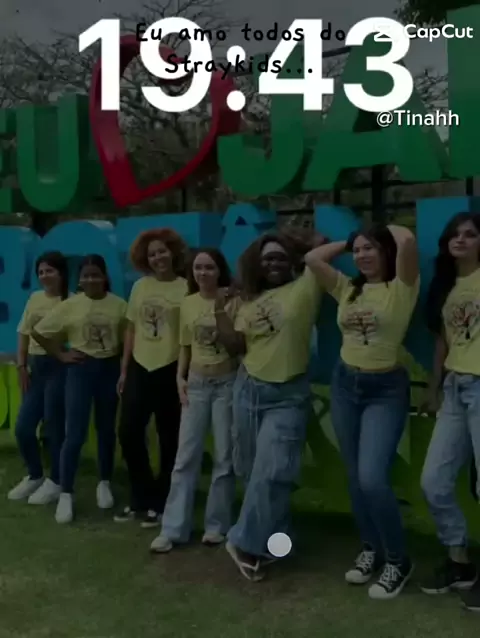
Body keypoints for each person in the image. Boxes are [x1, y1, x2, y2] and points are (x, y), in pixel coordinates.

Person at [304, 223, 419, 600]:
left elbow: (406, 239)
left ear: (385, 251)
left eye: (370, 248)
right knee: (355, 477)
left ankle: (398, 560)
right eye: (357, 251)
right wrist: (349, 241)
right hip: (345, 384)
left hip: (385, 389)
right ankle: (371, 547)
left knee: (372, 478)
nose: (362, 255)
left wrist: (380, 231)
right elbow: (312, 258)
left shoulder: (402, 287)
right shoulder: (347, 288)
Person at [213, 231, 324, 581]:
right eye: (266, 259)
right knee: (253, 472)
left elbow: (320, 245)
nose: (273, 263)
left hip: (288, 395)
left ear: (291, 261)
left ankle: (243, 542)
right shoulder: (248, 301)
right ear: (257, 266)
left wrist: (295, 243)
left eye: (279, 257)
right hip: (249, 389)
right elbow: (235, 346)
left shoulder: (306, 285)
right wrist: (218, 309)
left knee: (274, 471)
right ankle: (277, 541)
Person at [150, 248, 240, 552]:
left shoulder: (233, 301)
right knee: (185, 456)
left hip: (227, 383)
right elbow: (185, 346)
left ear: (220, 271)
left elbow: (239, 344)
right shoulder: (187, 303)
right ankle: (173, 528)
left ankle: (217, 525)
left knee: (224, 458)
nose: (203, 273)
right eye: (198, 268)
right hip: (197, 384)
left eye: (209, 268)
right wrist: (180, 377)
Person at [32, 254, 127, 524]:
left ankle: (104, 482)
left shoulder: (119, 305)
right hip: (80, 370)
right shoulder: (71, 304)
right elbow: (38, 331)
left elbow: (126, 340)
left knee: (106, 429)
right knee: (74, 433)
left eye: (96, 275)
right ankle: (66, 493)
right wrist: (61, 354)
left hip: (108, 369)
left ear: (105, 277)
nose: (91, 280)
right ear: (79, 279)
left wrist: (121, 368)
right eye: (86, 276)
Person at [419, 212, 480, 598]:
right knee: (434, 481)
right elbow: (443, 341)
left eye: (470, 234)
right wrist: (433, 386)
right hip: (455, 387)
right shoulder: (446, 285)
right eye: (455, 234)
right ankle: (459, 561)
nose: (461, 240)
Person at [114, 229, 188, 528]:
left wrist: (184, 374)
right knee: (128, 432)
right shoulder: (140, 286)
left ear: (173, 252)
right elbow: (131, 328)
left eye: (162, 251)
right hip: (140, 367)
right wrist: (124, 370)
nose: (158, 258)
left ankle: (161, 502)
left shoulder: (186, 287)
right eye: (152, 254)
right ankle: (140, 496)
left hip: (171, 368)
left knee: (169, 438)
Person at [8, 252, 69, 505]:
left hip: (58, 368)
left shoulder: (71, 301)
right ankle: (35, 475)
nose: (44, 276)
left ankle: (56, 481)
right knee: (23, 428)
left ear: (61, 273)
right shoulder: (34, 298)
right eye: (41, 272)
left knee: (54, 428)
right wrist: (22, 365)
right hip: (35, 367)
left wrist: (65, 356)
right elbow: (23, 332)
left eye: (49, 271)